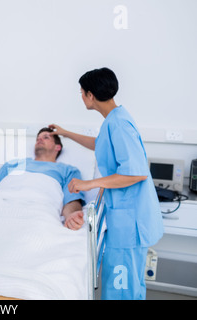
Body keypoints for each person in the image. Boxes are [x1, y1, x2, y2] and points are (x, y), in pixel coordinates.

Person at [49, 67, 163, 300]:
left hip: (129, 223)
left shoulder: (118, 124)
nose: (81, 97)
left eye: (82, 92)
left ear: (90, 95)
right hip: (124, 218)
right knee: (128, 285)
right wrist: (66, 133)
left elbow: (136, 173)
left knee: (121, 289)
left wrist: (89, 184)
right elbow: (98, 143)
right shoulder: (114, 119)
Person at [0, 127, 85, 231]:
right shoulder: (13, 164)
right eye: (38, 138)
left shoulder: (67, 170)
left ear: (57, 147)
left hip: (38, 209)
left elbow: (71, 200)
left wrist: (72, 216)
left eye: (46, 137)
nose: (39, 140)